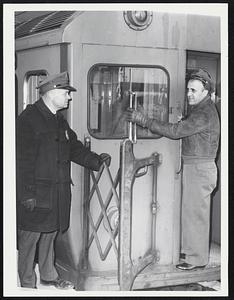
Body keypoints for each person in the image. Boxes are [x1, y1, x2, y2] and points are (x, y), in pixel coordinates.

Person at [16, 71, 111, 289]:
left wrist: (96, 161)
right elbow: (21, 162)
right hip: (36, 193)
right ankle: (26, 284)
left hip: (56, 192)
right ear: (52, 92)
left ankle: (48, 274)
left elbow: (74, 148)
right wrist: (27, 194)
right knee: (30, 238)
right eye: (66, 93)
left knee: (50, 233)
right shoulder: (28, 120)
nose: (69, 98)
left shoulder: (58, 120)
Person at [125, 68, 220, 271]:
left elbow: (176, 132)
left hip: (200, 169)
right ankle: (192, 252)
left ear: (206, 92)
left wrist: (144, 120)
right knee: (191, 213)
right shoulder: (200, 110)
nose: (189, 94)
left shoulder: (204, 113)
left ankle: (196, 259)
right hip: (196, 167)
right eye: (188, 90)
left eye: (194, 91)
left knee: (195, 215)